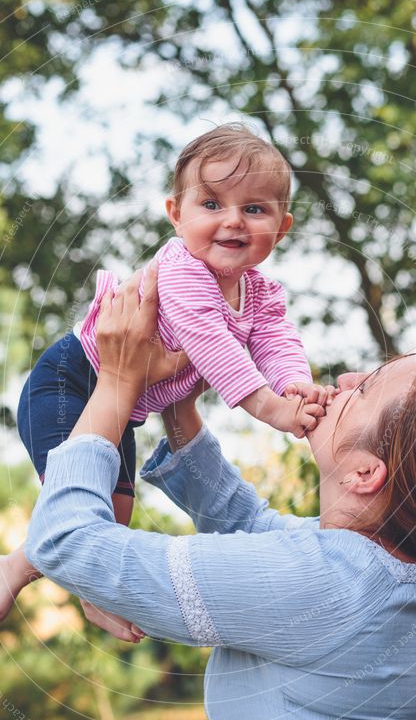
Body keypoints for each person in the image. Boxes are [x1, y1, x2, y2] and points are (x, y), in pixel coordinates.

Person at [25, 266, 416, 720]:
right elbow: (257, 529)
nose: (345, 381)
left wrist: (114, 382)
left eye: (366, 392)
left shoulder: (328, 585)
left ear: (364, 472)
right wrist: (180, 400)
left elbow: (64, 541)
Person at [2, 123, 333, 622]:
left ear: (281, 228)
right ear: (176, 216)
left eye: (255, 208)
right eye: (212, 204)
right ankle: (14, 570)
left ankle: (93, 594)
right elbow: (212, 345)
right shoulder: (181, 269)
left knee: (115, 514)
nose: (233, 221)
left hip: (125, 404)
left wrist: (293, 384)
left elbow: (276, 340)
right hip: (71, 383)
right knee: (78, 500)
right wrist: (269, 408)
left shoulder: (262, 292)